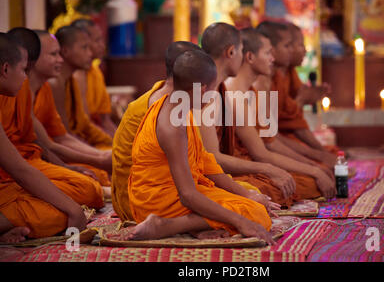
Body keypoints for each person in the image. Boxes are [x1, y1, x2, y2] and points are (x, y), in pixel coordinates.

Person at [127, 50, 276, 243]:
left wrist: (246, 194)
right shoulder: (173, 127)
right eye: (214, 90)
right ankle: (165, 225)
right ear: (203, 90)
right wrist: (240, 222)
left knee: (249, 200)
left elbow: (202, 160)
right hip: (156, 201)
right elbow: (187, 196)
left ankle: (198, 225)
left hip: (171, 192)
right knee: (255, 214)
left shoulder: (178, 107)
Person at [0, 33, 101, 243]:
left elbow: (38, 144)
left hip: (18, 173)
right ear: (6, 69)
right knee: (58, 213)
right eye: (23, 70)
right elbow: (19, 169)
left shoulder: (36, 89)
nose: (26, 77)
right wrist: (73, 209)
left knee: (65, 202)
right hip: (14, 174)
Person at [224, 28, 336, 202]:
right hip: (241, 169)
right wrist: (314, 168)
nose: (272, 59)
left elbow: (270, 139)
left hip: (255, 164)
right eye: (268, 53)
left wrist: (314, 164)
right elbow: (262, 153)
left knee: (308, 180)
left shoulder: (251, 92)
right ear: (250, 57)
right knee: (304, 183)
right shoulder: (234, 95)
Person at [198, 23, 301, 206]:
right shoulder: (207, 95)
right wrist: (267, 169)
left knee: (282, 186)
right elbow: (211, 160)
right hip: (207, 178)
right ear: (231, 53)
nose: (272, 59)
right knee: (273, 191)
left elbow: (269, 139)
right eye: (241, 51)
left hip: (226, 171)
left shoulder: (220, 89)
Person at [112, 41, 201, 221]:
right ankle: (177, 224)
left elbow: (198, 160)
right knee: (240, 209)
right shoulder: (160, 107)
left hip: (168, 187)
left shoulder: (178, 100)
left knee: (244, 196)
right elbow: (184, 185)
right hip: (141, 200)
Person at [26, 29, 111, 195]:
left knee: (93, 177)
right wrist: (100, 159)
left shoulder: (46, 88)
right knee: (90, 184)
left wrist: (105, 154)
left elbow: (63, 134)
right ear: (33, 58)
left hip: (48, 157)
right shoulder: (31, 90)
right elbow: (46, 145)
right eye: (54, 54)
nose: (60, 59)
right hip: (30, 163)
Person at [256, 21, 337, 169]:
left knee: (326, 163)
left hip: (276, 144)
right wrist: (314, 162)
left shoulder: (278, 78)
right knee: (308, 180)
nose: (293, 50)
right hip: (264, 152)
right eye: (288, 46)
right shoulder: (257, 84)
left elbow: (290, 119)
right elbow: (268, 140)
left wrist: (320, 155)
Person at [48, 26, 112, 150]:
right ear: (65, 51)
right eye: (84, 48)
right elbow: (63, 136)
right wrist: (99, 156)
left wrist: (112, 142)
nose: (90, 53)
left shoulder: (71, 81)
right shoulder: (55, 84)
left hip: (79, 143)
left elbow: (83, 123)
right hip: (63, 149)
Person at [71, 19, 117, 137]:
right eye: (97, 40)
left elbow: (105, 120)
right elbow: (84, 125)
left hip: (98, 136)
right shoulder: (75, 76)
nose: (103, 45)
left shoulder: (95, 72)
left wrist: (122, 142)